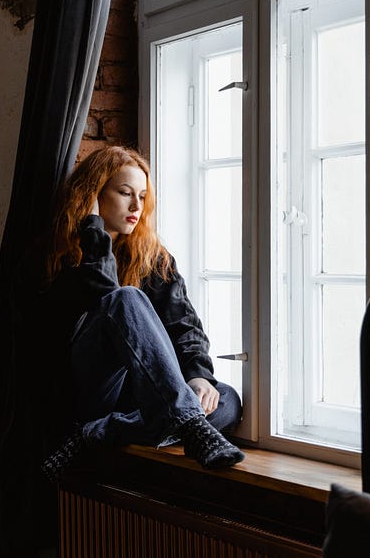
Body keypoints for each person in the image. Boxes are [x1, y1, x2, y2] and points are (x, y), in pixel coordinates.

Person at [39, 145, 245, 481]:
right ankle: (182, 421)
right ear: (93, 195)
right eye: (124, 193)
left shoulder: (150, 255)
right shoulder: (63, 255)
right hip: (92, 390)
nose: (137, 206)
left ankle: (97, 433)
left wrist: (197, 375)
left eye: (143, 196)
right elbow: (106, 296)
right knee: (125, 299)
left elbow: (184, 324)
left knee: (225, 400)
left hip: (139, 399)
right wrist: (94, 232)